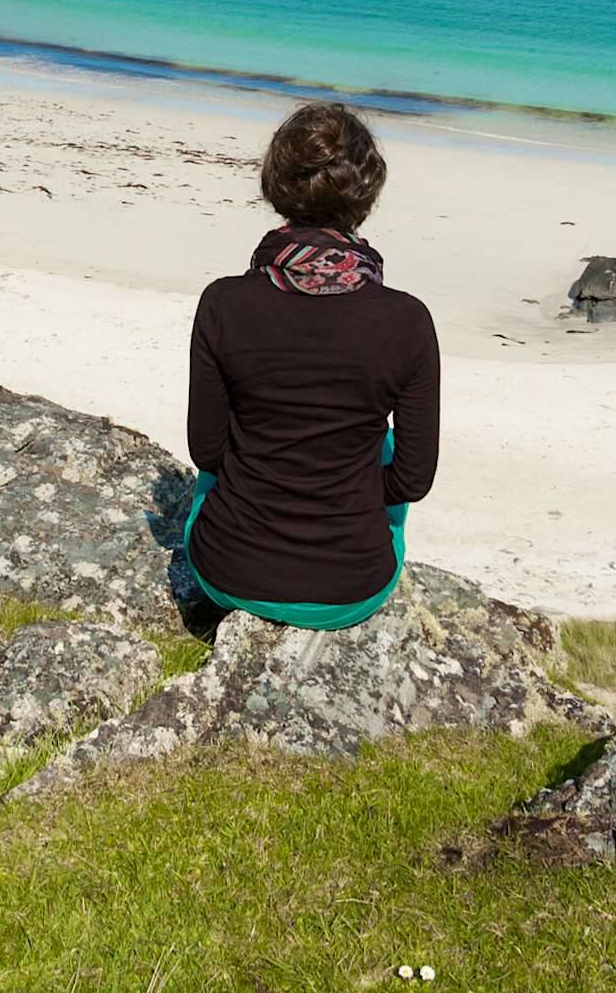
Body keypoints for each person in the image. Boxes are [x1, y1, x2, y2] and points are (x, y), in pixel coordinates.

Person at [183, 101, 440, 630]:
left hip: (226, 570)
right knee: (381, 441)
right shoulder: (407, 321)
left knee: (242, 433)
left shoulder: (223, 303)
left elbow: (207, 451)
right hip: (354, 587)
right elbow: (413, 480)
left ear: (276, 186)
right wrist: (350, 490)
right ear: (366, 195)